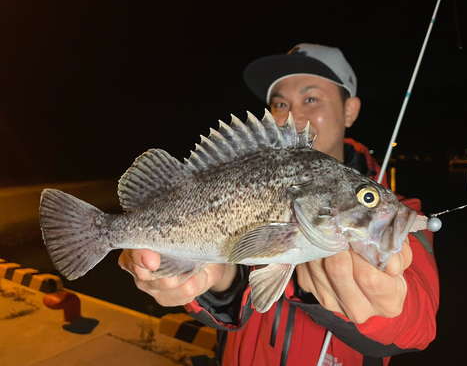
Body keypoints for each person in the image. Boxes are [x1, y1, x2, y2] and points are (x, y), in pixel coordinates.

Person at [119, 43, 439, 365]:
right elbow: (234, 259)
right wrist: (217, 281)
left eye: (310, 99)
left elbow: (420, 324)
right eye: (280, 102)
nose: (292, 114)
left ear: (350, 109)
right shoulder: (261, 170)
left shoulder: (399, 208)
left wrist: (388, 307)